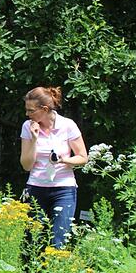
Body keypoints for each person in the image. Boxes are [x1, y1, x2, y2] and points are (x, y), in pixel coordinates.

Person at [19, 86, 87, 248]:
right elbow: (26, 165)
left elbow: (83, 158)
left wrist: (65, 160)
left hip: (64, 189)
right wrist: (34, 139)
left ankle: (54, 272)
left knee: (58, 240)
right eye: (27, 110)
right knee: (33, 241)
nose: (27, 114)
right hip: (36, 188)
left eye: (31, 111)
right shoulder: (28, 127)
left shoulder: (67, 125)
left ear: (44, 109)